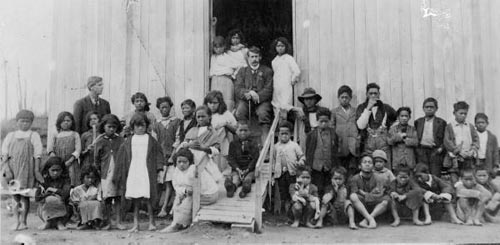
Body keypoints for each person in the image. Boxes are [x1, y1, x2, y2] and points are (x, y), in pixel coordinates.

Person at [115, 113, 165, 232]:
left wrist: (159, 169)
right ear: (132, 127)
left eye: (142, 125)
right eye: (137, 126)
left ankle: (152, 222)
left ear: (147, 126)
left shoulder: (151, 140)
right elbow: (121, 158)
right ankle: (136, 224)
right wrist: (120, 173)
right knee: (135, 198)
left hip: (147, 171)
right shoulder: (128, 141)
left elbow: (159, 154)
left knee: (148, 197)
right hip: (134, 171)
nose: (140, 128)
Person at [1, 110, 43, 230]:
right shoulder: (11, 136)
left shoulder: (33, 135)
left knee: (24, 196)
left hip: (27, 169)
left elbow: (37, 155)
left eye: (27, 121)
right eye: (22, 121)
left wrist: (36, 170)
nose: (24, 124)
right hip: (12, 169)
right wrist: (6, 168)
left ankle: (24, 221)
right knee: (14, 196)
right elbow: (4, 153)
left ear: (31, 123)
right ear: (17, 122)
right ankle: (16, 221)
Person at [180, 106, 225, 205]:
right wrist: (188, 145)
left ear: (209, 117)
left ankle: (203, 203)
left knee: (205, 182)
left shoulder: (211, 132)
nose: (200, 119)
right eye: (198, 117)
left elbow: (217, 149)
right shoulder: (192, 130)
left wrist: (204, 148)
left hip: (204, 161)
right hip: (190, 160)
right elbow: (183, 144)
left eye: (203, 116)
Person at [234, 46, 274, 144]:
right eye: (252, 57)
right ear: (248, 58)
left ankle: (265, 144)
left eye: (256, 57)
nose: (254, 59)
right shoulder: (242, 71)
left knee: (263, 113)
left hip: (262, 101)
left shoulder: (267, 71)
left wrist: (258, 96)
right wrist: (248, 93)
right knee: (240, 111)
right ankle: (242, 141)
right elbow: (238, 88)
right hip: (246, 100)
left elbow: (269, 89)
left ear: (260, 57)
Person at [93, 114, 126, 230]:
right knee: (107, 198)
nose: (112, 129)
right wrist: (98, 171)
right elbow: (96, 159)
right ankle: (108, 222)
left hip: (118, 172)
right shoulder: (100, 141)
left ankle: (118, 221)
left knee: (117, 197)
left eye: (114, 127)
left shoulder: (121, 140)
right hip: (105, 173)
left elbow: (124, 156)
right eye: (109, 127)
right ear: (104, 127)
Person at [152, 96, 181, 218]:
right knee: (159, 183)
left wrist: (173, 155)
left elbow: (178, 139)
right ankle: (155, 206)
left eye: (166, 107)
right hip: (160, 157)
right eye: (162, 107)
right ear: (158, 109)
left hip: (172, 157)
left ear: (170, 107)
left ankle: (165, 208)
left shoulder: (176, 122)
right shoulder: (156, 124)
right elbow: (154, 141)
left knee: (169, 183)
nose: (164, 109)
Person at [356, 83, 397, 163]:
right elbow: (361, 126)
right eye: (371, 93)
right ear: (367, 94)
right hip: (367, 144)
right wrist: (368, 108)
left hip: (384, 145)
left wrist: (390, 131)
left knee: (385, 167)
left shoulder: (386, 107)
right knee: (368, 167)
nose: (373, 95)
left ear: (379, 94)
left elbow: (398, 120)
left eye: (375, 93)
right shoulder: (361, 107)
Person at [159, 149, 196, 233]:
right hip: (182, 192)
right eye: (179, 162)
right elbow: (175, 185)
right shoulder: (176, 171)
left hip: (192, 193)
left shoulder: (192, 169)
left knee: (185, 206)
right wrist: (183, 191)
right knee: (176, 205)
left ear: (189, 162)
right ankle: (176, 223)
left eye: (184, 162)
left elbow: (195, 184)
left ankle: (180, 224)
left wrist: (189, 190)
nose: (181, 164)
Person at [349, 154, 390, 229]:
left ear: (373, 166)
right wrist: (369, 194)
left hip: (374, 205)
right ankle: (370, 219)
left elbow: (379, 195)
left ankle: (366, 220)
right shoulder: (355, 178)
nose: (367, 164)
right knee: (353, 196)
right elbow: (354, 193)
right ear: (360, 166)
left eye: (370, 162)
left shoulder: (379, 178)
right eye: (365, 162)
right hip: (361, 206)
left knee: (385, 201)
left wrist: (364, 193)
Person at [305, 108, 339, 196]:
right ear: (317, 121)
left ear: (329, 121)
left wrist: (335, 166)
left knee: (329, 188)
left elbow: (335, 151)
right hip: (316, 168)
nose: (323, 124)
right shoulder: (311, 135)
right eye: (321, 121)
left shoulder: (333, 134)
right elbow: (308, 151)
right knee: (317, 188)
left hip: (329, 167)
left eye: (326, 121)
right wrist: (308, 166)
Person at [443, 101, 479, 184]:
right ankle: (456, 195)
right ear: (454, 113)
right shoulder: (449, 126)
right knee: (455, 180)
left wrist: (473, 150)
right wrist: (458, 151)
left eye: (465, 114)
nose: (463, 115)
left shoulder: (470, 126)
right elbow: (447, 141)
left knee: (468, 177)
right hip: (455, 158)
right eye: (461, 113)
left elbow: (476, 139)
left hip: (468, 157)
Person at [273, 121, 305, 210]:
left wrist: (300, 162)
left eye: (286, 133)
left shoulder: (294, 145)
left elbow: (302, 156)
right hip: (280, 174)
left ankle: (293, 208)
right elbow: (274, 160)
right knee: (283, 192)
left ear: (290, 134)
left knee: (292, 191)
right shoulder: (276, 147)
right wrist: (274, 172)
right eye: (282, 134)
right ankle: (285, 210)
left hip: (291, 173)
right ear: (278, 134)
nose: (284, 136)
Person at [204, 90, 238, 176]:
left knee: (220, 171)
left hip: (222, 146)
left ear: (220, 103)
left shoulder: (226, 114)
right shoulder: (204, 114)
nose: (212, 105)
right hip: (207, 145)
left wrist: (226, 124)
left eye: (215, 103)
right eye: (210, 103)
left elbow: (236, 130)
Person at [36, 157, 71, 230]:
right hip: (46, 210)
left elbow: (66, 194)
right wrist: (50, 194)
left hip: (63, 210)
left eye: (58, 170)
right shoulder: (44, 181)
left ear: (62, 170)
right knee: (50, 199)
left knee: (62, 202)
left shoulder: (65, 180)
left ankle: (59, 222)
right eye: (53, 170)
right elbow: (37, 197)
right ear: (48, 170)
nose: (55, 173)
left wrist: (52, 190)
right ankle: (48, 222)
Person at [225, 121, 259, 198]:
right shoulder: (233, 144)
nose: (243, 132)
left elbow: (255, 158)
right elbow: (231, 158)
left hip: (249, 169)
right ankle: (231, 188)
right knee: (236, 179)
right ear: (236, 131)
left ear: (249, 132)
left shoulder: (253, 143)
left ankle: (245, 189)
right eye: (240, 130)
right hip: (238, 168)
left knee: (248, 178)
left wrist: (248, 169)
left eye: (245, 130)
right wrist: (237, 169)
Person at [414, 97, 447, 177]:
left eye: (431, 107)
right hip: (422, 151)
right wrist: (418, 150)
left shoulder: (441, 122)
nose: (429, 109)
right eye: (427, 107)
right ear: (423, 108)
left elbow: (445, 138)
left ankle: (435, 189)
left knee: (435, 174)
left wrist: (441, 149)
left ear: (436, 109)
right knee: (422, 174)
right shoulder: (418, 122)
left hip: (435, 151)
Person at [47, 111, 82, 186]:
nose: (66, 123)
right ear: (59, 122)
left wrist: (70, 160)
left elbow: (78, 150)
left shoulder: (75, 134)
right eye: (63, 121)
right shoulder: (55, 135)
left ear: (72, 122)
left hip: (71, 163)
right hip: (58, 163)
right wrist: (56, 161)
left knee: (72, 179)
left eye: (68, 120)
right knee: (60, 179)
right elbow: (50, 149)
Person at [332, 85, 360, 177]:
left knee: (352, 170)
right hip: (341, 144)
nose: (344, 99)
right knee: (341, 170)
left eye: (346, 97)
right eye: (342, 97)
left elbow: (360, 126)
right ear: (338, 98)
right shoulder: (334, 112)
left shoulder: (356, 111)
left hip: (353, 144)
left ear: (350, 98)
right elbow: (332, 127)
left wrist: (358, 139)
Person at [209, 36, 240, 111]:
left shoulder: (227, 57)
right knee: (215, 100)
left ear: (224, 47)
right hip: (215, 80)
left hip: (226, 80)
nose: (218, 49)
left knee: (227, 101)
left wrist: (233, 75)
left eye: (220, 47)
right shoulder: (213, 57)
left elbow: (239, 66)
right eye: (216, 47)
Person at [270, 37, 300, 113]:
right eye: (278, 46)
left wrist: (293, 80)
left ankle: (285, 123)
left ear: (286, 47)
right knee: (276, 105)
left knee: (285, 105)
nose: (280, 48)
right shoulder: (274, 60)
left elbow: (296, 71)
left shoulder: (289, 58)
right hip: (277, 86)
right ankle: (278, 123)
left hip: (286, 85)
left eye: (282, 46)